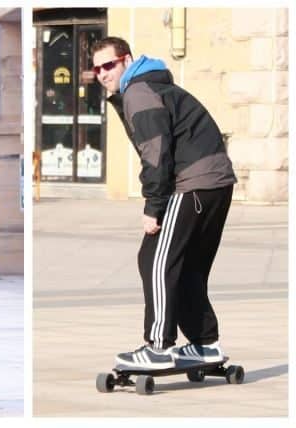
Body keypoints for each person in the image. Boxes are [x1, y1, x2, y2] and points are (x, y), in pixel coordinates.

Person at [91, 36, 236, 370]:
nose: (102, 73)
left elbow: (155, 153)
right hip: (215, 183)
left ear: (125, 60)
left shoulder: (139, 92)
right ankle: (205, 344)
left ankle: (158, 346)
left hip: (193, 184)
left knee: (154, 259)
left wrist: (154, 207)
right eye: (97, 68)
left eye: (109, 65)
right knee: (186, 267)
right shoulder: (153, 85)